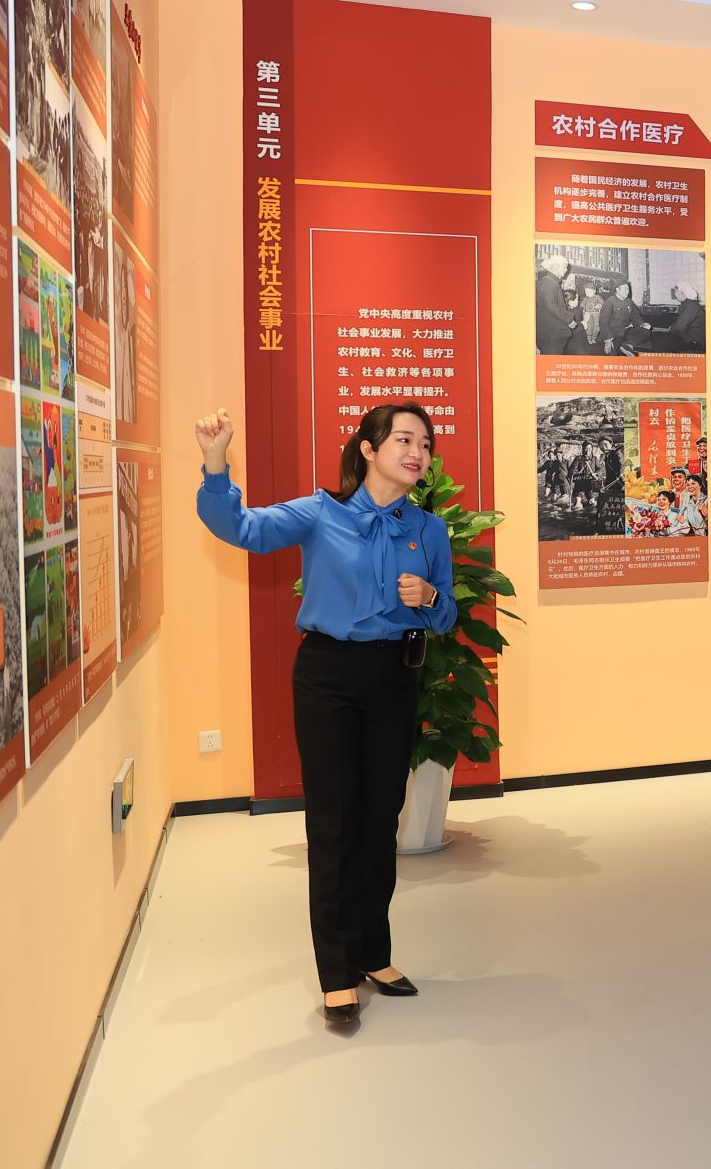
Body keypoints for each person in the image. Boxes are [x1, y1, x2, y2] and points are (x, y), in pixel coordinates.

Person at [194, 401, 457, 1026]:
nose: (417, 452)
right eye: (404, 439)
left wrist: (429, 596)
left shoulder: (429, 530)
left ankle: (373, 953)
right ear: (368, 448)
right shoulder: (320, 513)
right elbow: (241, 528)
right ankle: (336, 972)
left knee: (380, 819)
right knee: (335, 822)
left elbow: (446, 614)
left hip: (394, 677)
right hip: (328, 677)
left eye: (425, 443)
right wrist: (215, 463)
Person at [535, 252, 578, 354]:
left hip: (552, 333)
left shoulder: (550, 281)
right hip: (551, 334)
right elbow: (551, 306)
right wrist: (569, 320)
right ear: (555, 267)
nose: (566, 270)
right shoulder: (548, 282)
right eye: (564, 267)